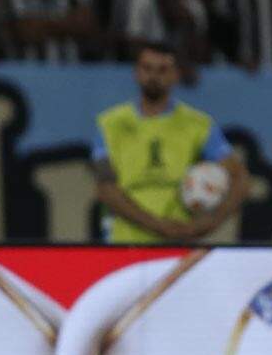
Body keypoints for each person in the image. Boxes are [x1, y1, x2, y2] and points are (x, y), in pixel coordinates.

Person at [92, 41, 250, 243]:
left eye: (163, 70)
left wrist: (210, 223)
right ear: (136, 72)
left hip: (178, 244)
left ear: (176, 74)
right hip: (124, 243)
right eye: (147, 68)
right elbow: (106, 189)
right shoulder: (110, 124)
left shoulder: (198, 125)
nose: (154, 76)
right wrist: (158, 226)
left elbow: (240, 179)